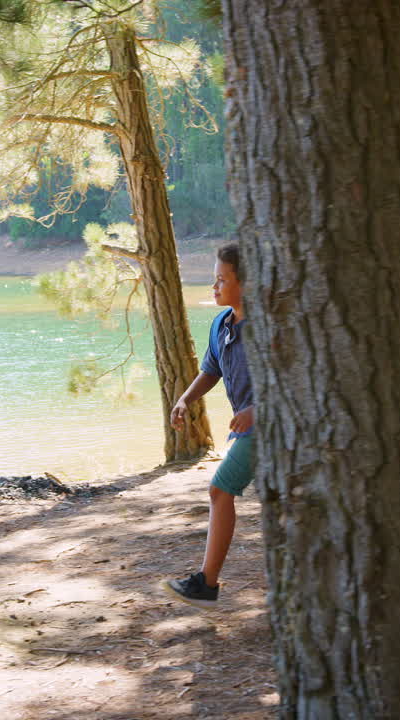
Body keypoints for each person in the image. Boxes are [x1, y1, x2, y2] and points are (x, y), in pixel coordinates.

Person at [161, 243, 255, 608]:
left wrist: (258, 411)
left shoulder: (266, 329)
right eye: (214, 279)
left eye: (222, 280)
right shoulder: (221, 324)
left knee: (220, 489)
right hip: (249, 428)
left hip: (269, 428)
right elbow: (211, 370)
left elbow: (291, 381)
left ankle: (207, 584)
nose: (214, 287)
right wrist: (185, 399)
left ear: (246, 283)